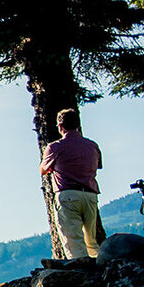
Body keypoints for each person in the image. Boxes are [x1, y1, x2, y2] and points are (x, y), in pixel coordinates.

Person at [40, 108, 103, 258]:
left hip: (68, 194)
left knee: (74, 242)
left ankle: (80, 275)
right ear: (78, 125)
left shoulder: (55, 147)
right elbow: (97, 166)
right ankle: (101, 272)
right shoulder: (92, 146)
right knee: (92, 242)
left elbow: (43, 169)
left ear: (60, 126)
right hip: (90, 194)